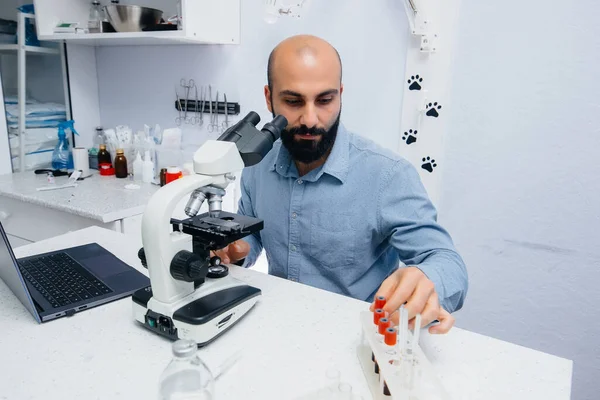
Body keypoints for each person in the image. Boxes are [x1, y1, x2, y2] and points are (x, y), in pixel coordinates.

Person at [214, 34, 468, 334]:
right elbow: (255, 231)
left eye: (325, 100)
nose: (310, 119)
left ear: (340, 94)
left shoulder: (388, 175)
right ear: (269, 98)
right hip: (278, 328)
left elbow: (449, 263)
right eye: (293, 101)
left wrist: (425, 280)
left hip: (357, 340)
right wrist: (240, 249)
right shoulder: (257, 163)